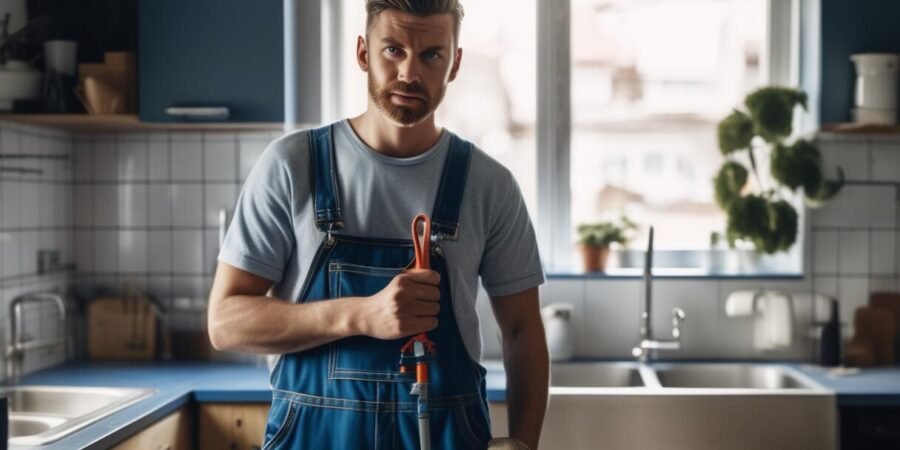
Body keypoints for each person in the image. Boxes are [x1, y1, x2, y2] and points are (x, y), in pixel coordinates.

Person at [207, 1, 549, 448]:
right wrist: (361, 314)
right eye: (393, 50)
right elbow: (225, 322)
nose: (409, 73)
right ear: (364, 53)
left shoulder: (489, 185)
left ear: (455, 63)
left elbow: (523, 329)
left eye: (431, 55)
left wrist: (523, 443)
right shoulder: (292, 166)